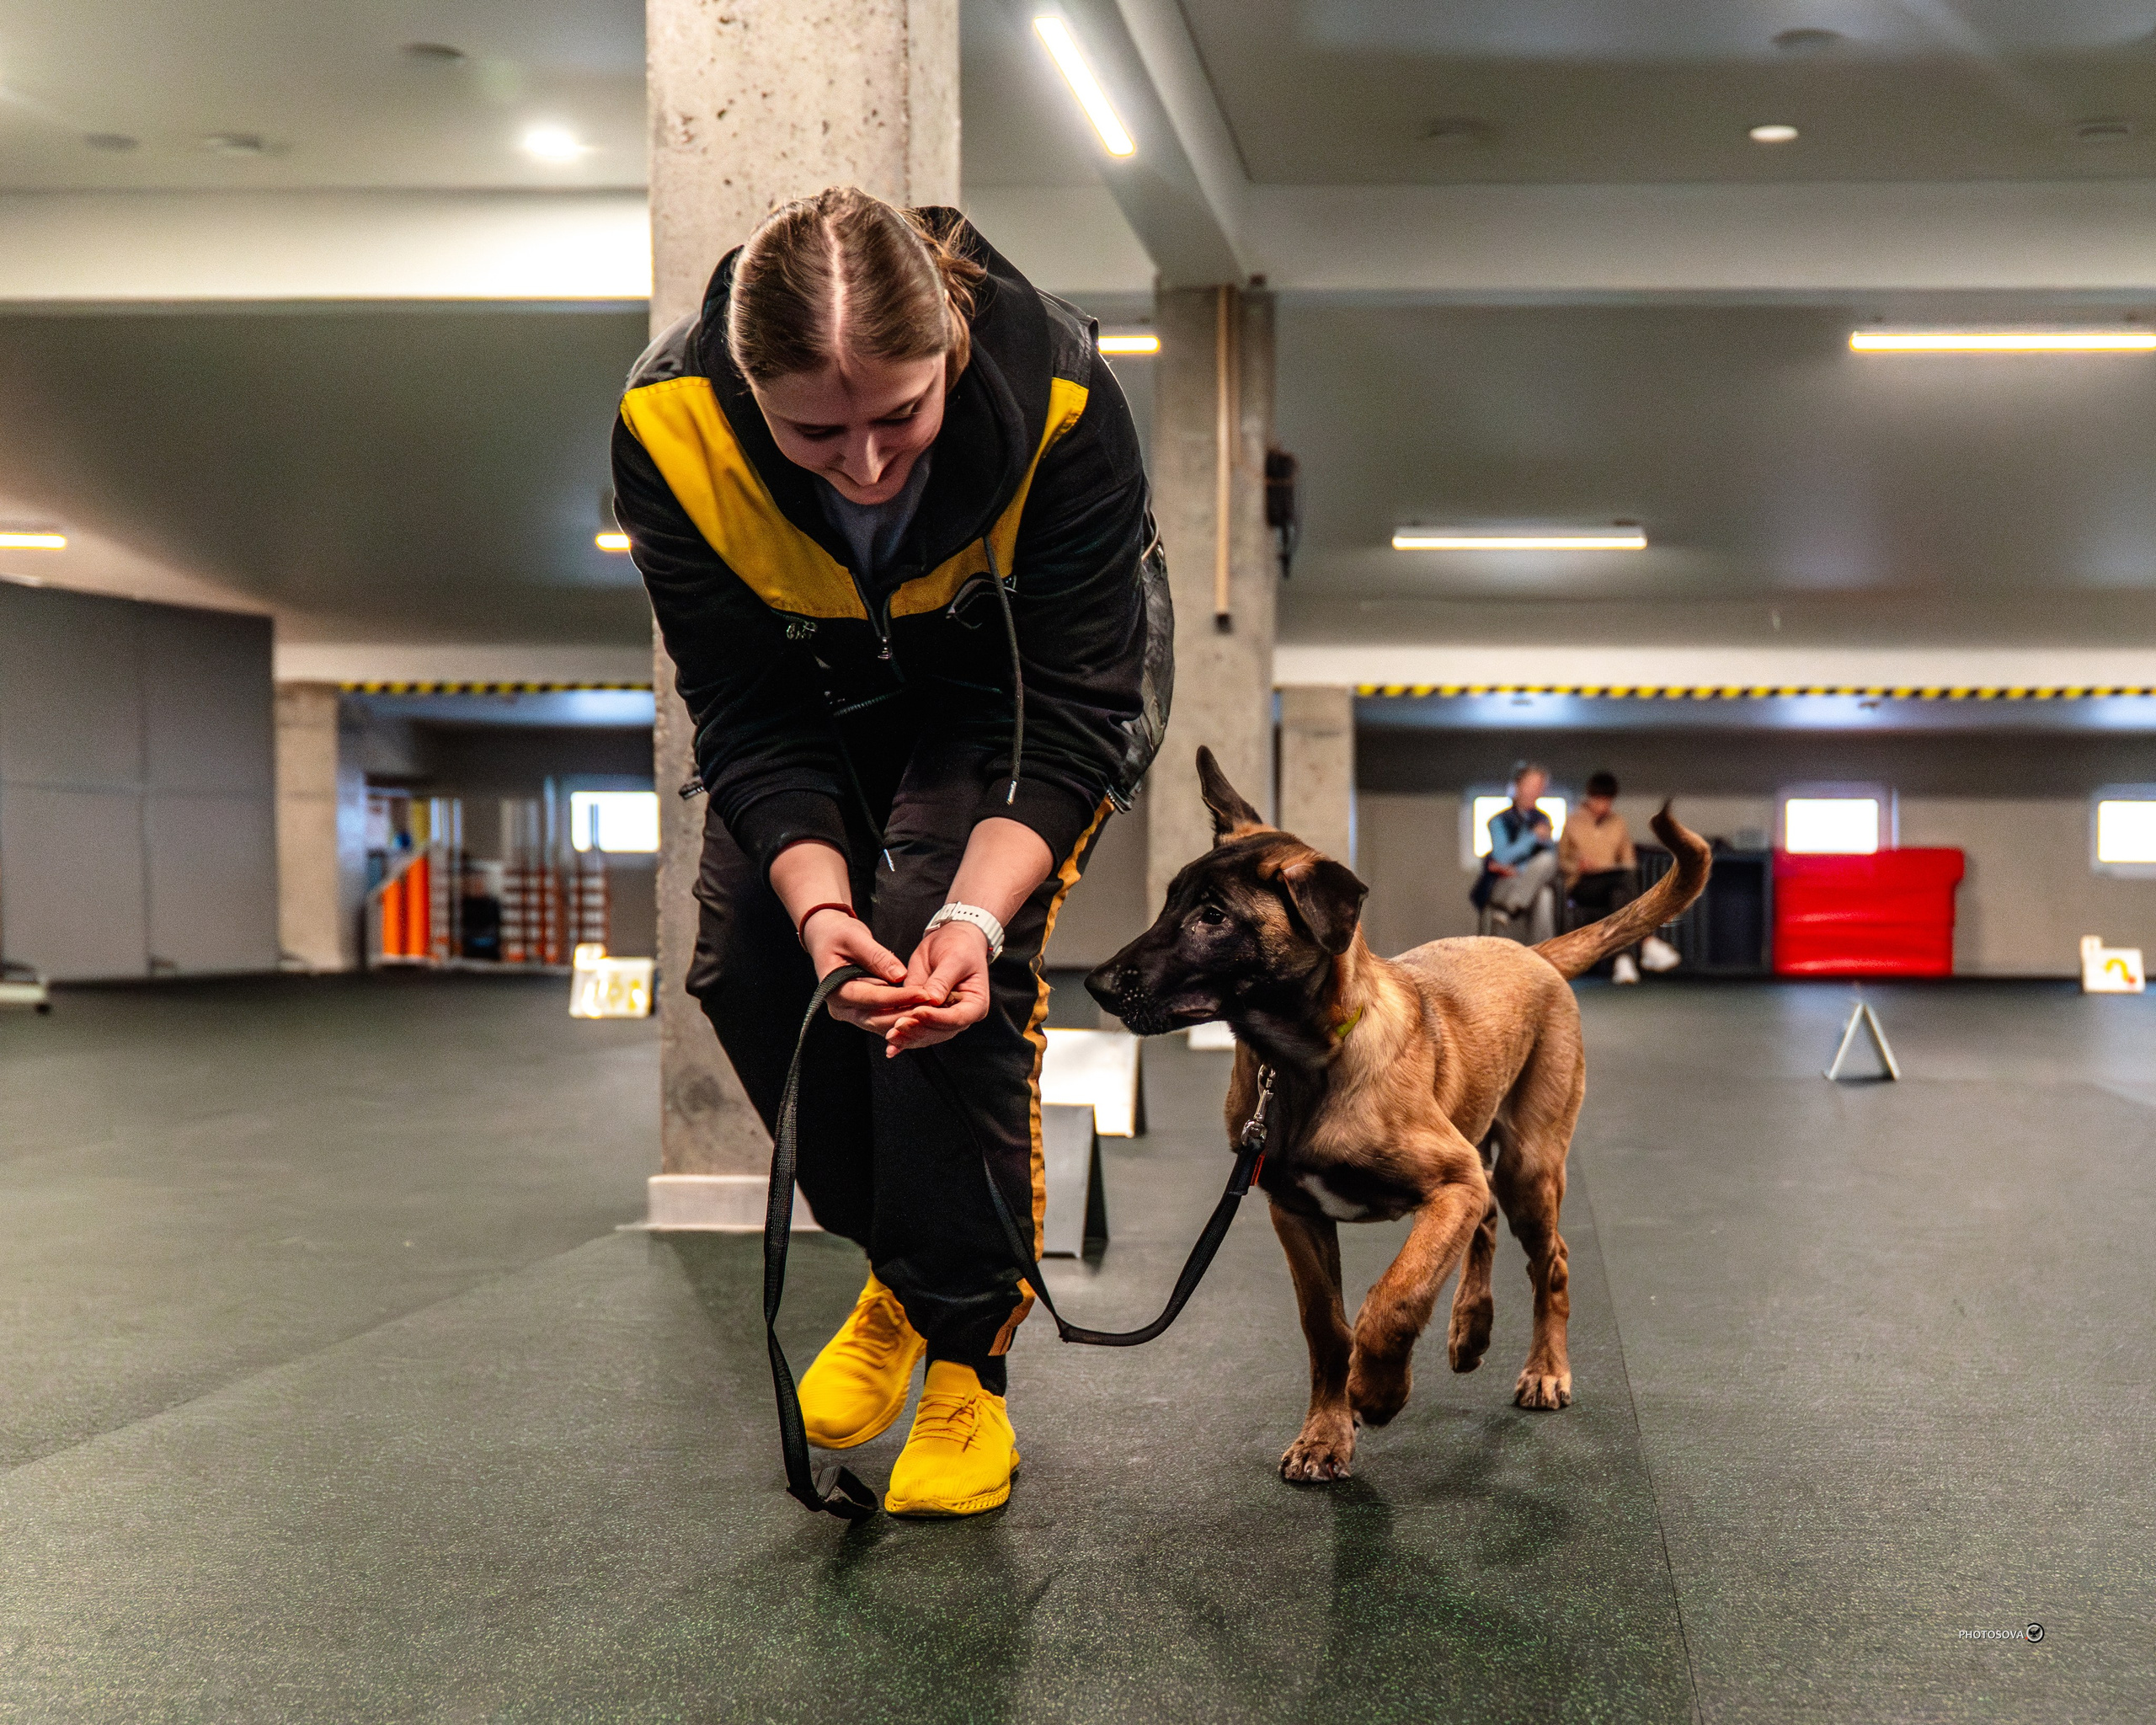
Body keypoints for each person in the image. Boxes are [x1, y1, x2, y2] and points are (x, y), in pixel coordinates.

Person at [611, 187, 1170, 1519]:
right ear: (750, 386)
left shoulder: (1066, 406)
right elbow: (742, 710)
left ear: (953, 356)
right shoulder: (668, 427)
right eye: (816, 430)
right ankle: (903, 1277)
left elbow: (1080, 708)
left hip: (1017, 697)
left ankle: (967, 1359)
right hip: (816, 695)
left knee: (935, 962)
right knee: (754, 970)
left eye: (898, 418)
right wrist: (812, 912)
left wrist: (973, 924)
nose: (863, 463)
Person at [1560, 771, 1682, 984]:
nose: (1603, 806)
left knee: (1620, 893)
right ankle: (1647, 941)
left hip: (1612, 883)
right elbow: (1561, 861)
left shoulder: (1618, 823)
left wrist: (1611, 866)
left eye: (1608, 801)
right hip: (1582, 884)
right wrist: (1578, 866)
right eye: (1599, 800)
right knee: (1623, 884)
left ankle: (1623, 960)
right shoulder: (1572, 821)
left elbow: (1629, 862)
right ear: (1590, 797)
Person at [1471, 761, 1561, 944]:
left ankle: (1542, 952)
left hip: (1527, 885)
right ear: (1518, 786)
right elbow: (1502, 857)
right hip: (1502, 884)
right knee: (1543, 863)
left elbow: (1551, 861)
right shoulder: (1499, 821)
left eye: (1539, 787)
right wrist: (1532, 837)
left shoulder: (1543, 819)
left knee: (1545, 893)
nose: (1535, 791)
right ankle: (1509, 907)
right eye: (1531, 786)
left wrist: (1521, 868)